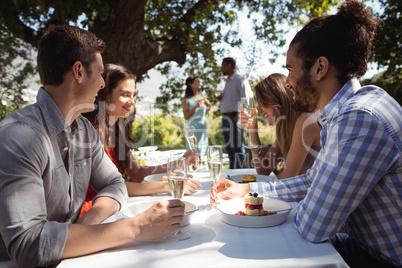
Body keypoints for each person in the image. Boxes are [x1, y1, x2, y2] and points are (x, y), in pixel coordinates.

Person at [212, 1, 401, 267]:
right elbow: (311, 181)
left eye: (290, 69)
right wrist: (246, 189)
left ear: (319, 68)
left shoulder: (360, 118)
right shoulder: (349, 111)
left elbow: (313, 226)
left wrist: (258, 193)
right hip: (362, 245)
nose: (287, 81)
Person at [0, 25, 186, 267]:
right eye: (99, 74)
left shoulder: (84, 131)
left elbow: (115, 183)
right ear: (78, 71)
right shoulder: (19, 136)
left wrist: (86, 224)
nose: (101, 84)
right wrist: (137, 227)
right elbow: (29, 245)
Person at [81, 64, 201, 216]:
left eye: (133, 95)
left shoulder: (118, 128)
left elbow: (136, 172)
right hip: (93, 212)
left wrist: (178, 163)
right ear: (105, 95)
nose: (132, 102)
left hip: (114, 207)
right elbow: (114, 186)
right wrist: (167, 186)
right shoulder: (91, 133)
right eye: (125, 95)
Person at [239, 73, 321, 178]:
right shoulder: (286, 130)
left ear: (277, 100)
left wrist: (246, 188)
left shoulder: (306, 122)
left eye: (262, 103)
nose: (259, 110)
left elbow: (286, 180)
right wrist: (253, 131)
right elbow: (263, 170)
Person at [216, 57, 253, 169]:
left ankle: (241, 176)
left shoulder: (240, 79)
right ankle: (233, 175)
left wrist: (240, 115)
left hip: (234, 117)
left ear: (229, 65)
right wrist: (222, 97)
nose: (221, 68)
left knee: (237, 149)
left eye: (223, 65)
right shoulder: (229, 81)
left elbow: (248, 97)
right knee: (230, 149)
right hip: (226, 117)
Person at [182, 75, 211, 158]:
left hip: (202, 126)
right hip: (192, 127)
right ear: (190, 84)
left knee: (203, 150)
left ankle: (201, 169)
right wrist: (196, 107)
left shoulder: (202, 98)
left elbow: (209, 106)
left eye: (199, 81)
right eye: (196, 81)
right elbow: (186, 116)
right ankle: (193, 169)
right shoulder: (186, 99)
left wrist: (205, 109)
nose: (199, 83)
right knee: (193, 151)